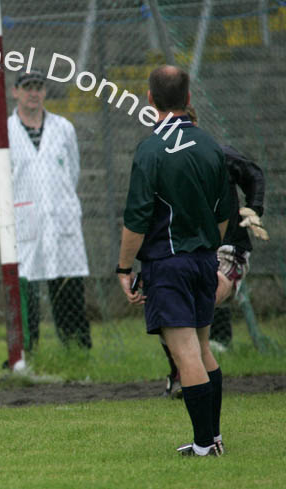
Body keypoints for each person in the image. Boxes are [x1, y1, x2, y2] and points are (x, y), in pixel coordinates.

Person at [117, 66, 231, 457]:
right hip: (203, 260)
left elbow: (136, 219)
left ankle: (204, 445)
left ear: (149, 98)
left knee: (185, 354)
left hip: (169, 264)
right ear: (189, 98)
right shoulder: (211, 145)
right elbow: (224, 212)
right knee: (202, 347)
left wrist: (123, 268)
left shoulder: (151, 149)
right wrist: (205, 250)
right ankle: (213, 438)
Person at [161, 104, 269, 398]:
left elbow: (254, 173)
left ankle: (192, 375)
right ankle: (181, 370)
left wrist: (253, 209)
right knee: (166, 301)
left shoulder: (220, 155)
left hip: (228, 250)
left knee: (206, 292)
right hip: (189, 251)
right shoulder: (165, 161)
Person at [0, 68, 91, 352]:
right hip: (24, 222)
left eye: (38, 87)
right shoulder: (0, 133)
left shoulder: (63, 128)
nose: (33, 92)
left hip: (60, 218)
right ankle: (26, 353)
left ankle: (77, 350)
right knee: (24, 289)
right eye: (27, 86)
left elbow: (73, 171)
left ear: (44, 92)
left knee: (68, 287)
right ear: (15, 91)